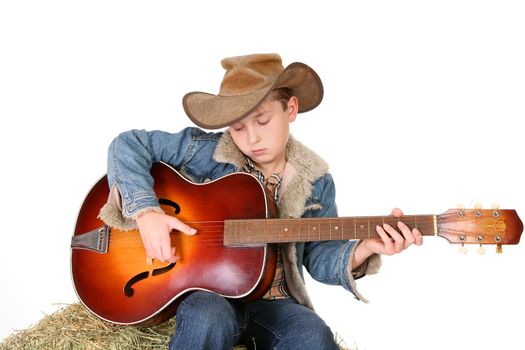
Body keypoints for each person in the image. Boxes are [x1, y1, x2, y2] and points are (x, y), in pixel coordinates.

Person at [100, 53, 423, 349]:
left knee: (311, 335)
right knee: (206, 316)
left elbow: (319, 257)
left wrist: (364, 248)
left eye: (263, 121)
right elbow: (128, 144)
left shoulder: (315, 179)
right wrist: (146, 212)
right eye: (238, 127)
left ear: (291, 109)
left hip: (275, 304)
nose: (251, 138)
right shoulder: (201, 150)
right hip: (208, 295)